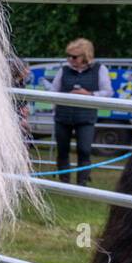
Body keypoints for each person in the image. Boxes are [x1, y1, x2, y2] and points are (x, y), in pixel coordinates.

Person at [49, 37, 113, 186]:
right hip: (63, 117)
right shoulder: (64, 69)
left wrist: (89, 95)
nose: (70, 59)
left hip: (86, 118)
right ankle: (63, 182)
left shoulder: (100, 69)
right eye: (69, 56)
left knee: (84, 150)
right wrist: (66, 95)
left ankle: (82, 183)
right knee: (62, 150)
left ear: (85, 56)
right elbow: (53, 90)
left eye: (74, 56)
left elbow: (108, 91)